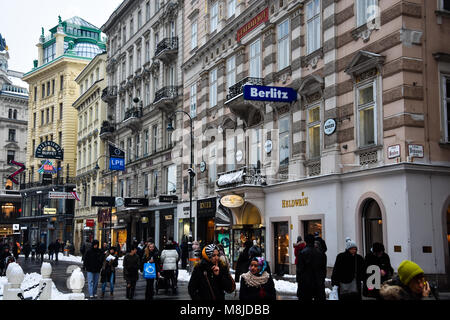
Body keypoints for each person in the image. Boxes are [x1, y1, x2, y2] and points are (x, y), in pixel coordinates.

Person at [296, 234, 327, 301]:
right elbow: (323, 269)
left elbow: (299, 270)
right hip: (318, 283)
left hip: (305, 283)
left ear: (306, 241)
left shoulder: (302, 253)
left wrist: (299, 281)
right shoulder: (321, 254)